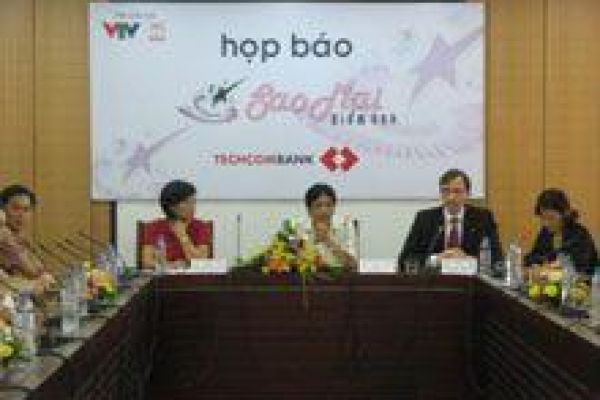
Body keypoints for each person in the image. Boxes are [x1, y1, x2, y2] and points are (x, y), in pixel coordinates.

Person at [398, 169, 502, 270]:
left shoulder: (483, 218)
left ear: (468, 193)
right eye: (446, 191)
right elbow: (404, 259)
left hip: (471, 279)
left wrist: (468, 260)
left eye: (457, 191)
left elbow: (497, 259)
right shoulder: (425, 218)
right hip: (435, 279)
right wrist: (435, 259)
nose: (451, 197)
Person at [141, 180, 213, 269]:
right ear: (172, 206)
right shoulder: (154, 227)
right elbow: (147, 262)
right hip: (164, 276)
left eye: (194, 202)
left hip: (193, 277)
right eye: (187, 202)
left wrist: (183, 236)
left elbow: (201, 262)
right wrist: (173, 266)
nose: (193, 207)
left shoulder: (200, 227)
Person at [525, 188, 598, 275]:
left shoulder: (579, 235)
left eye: (551, 218)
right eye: (543, 218)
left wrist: (548, 265)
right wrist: (535, 264)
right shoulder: (545, 232)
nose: (546, 223)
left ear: (565, 213)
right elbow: (532, 257)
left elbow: (584, 269)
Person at [0, 185, 55, 292]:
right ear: (2, 210)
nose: (21, 215)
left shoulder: (20, 237)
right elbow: (32, 271)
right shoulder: (4, 236)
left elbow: (40, 269)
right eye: (16, 208)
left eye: (26, 210)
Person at [301, 183, 357, 272]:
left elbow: (353, 264)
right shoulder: (298, 228)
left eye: (328, 205)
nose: (324, 210)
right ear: (309, 209)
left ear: (334, 207)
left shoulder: (346, 226)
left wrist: (327, 241)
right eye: (318, 205)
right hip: (308, 277)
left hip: (340, 277)